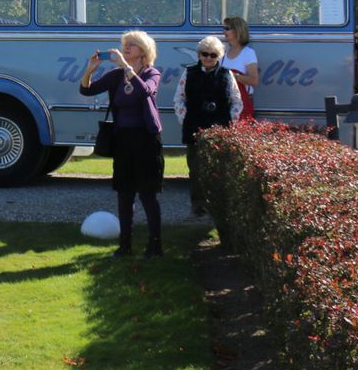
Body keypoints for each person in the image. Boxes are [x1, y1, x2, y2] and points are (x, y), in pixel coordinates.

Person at [80, 30, 165, 257]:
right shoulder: (116, 75)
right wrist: (90, 69)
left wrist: (127, 69)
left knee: (147, 194)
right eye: (125, 45)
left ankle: (155, 245)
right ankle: (124, 246)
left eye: (132, 45)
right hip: (123, 139)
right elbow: (86, 90)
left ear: (143, 52)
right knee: (124, 194)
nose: (126, 49)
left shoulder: (151, 73)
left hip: (146, 139)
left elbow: (145, 91)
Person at [174, 35, 242, 216]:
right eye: (205, 54)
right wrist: (185, 119)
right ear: (199, 54)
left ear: (218, 56)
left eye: (213, 55)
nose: (208, 58)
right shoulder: (188, 73)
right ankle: (198, 205)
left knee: (219, 170)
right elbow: (178, 99)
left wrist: (230, 123)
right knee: (195, 169)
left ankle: (218, 206)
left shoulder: (226, 75)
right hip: (194, 129)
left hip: (220, 130)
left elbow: (237, 101)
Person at [221, 16, 260, 121]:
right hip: (225, 103)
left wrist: (234, 76)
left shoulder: (248, 53)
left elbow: (254, 81)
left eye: (227, 29)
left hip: (243, 103)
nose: (224, 32)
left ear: (237, 31)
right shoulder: (223, 52)